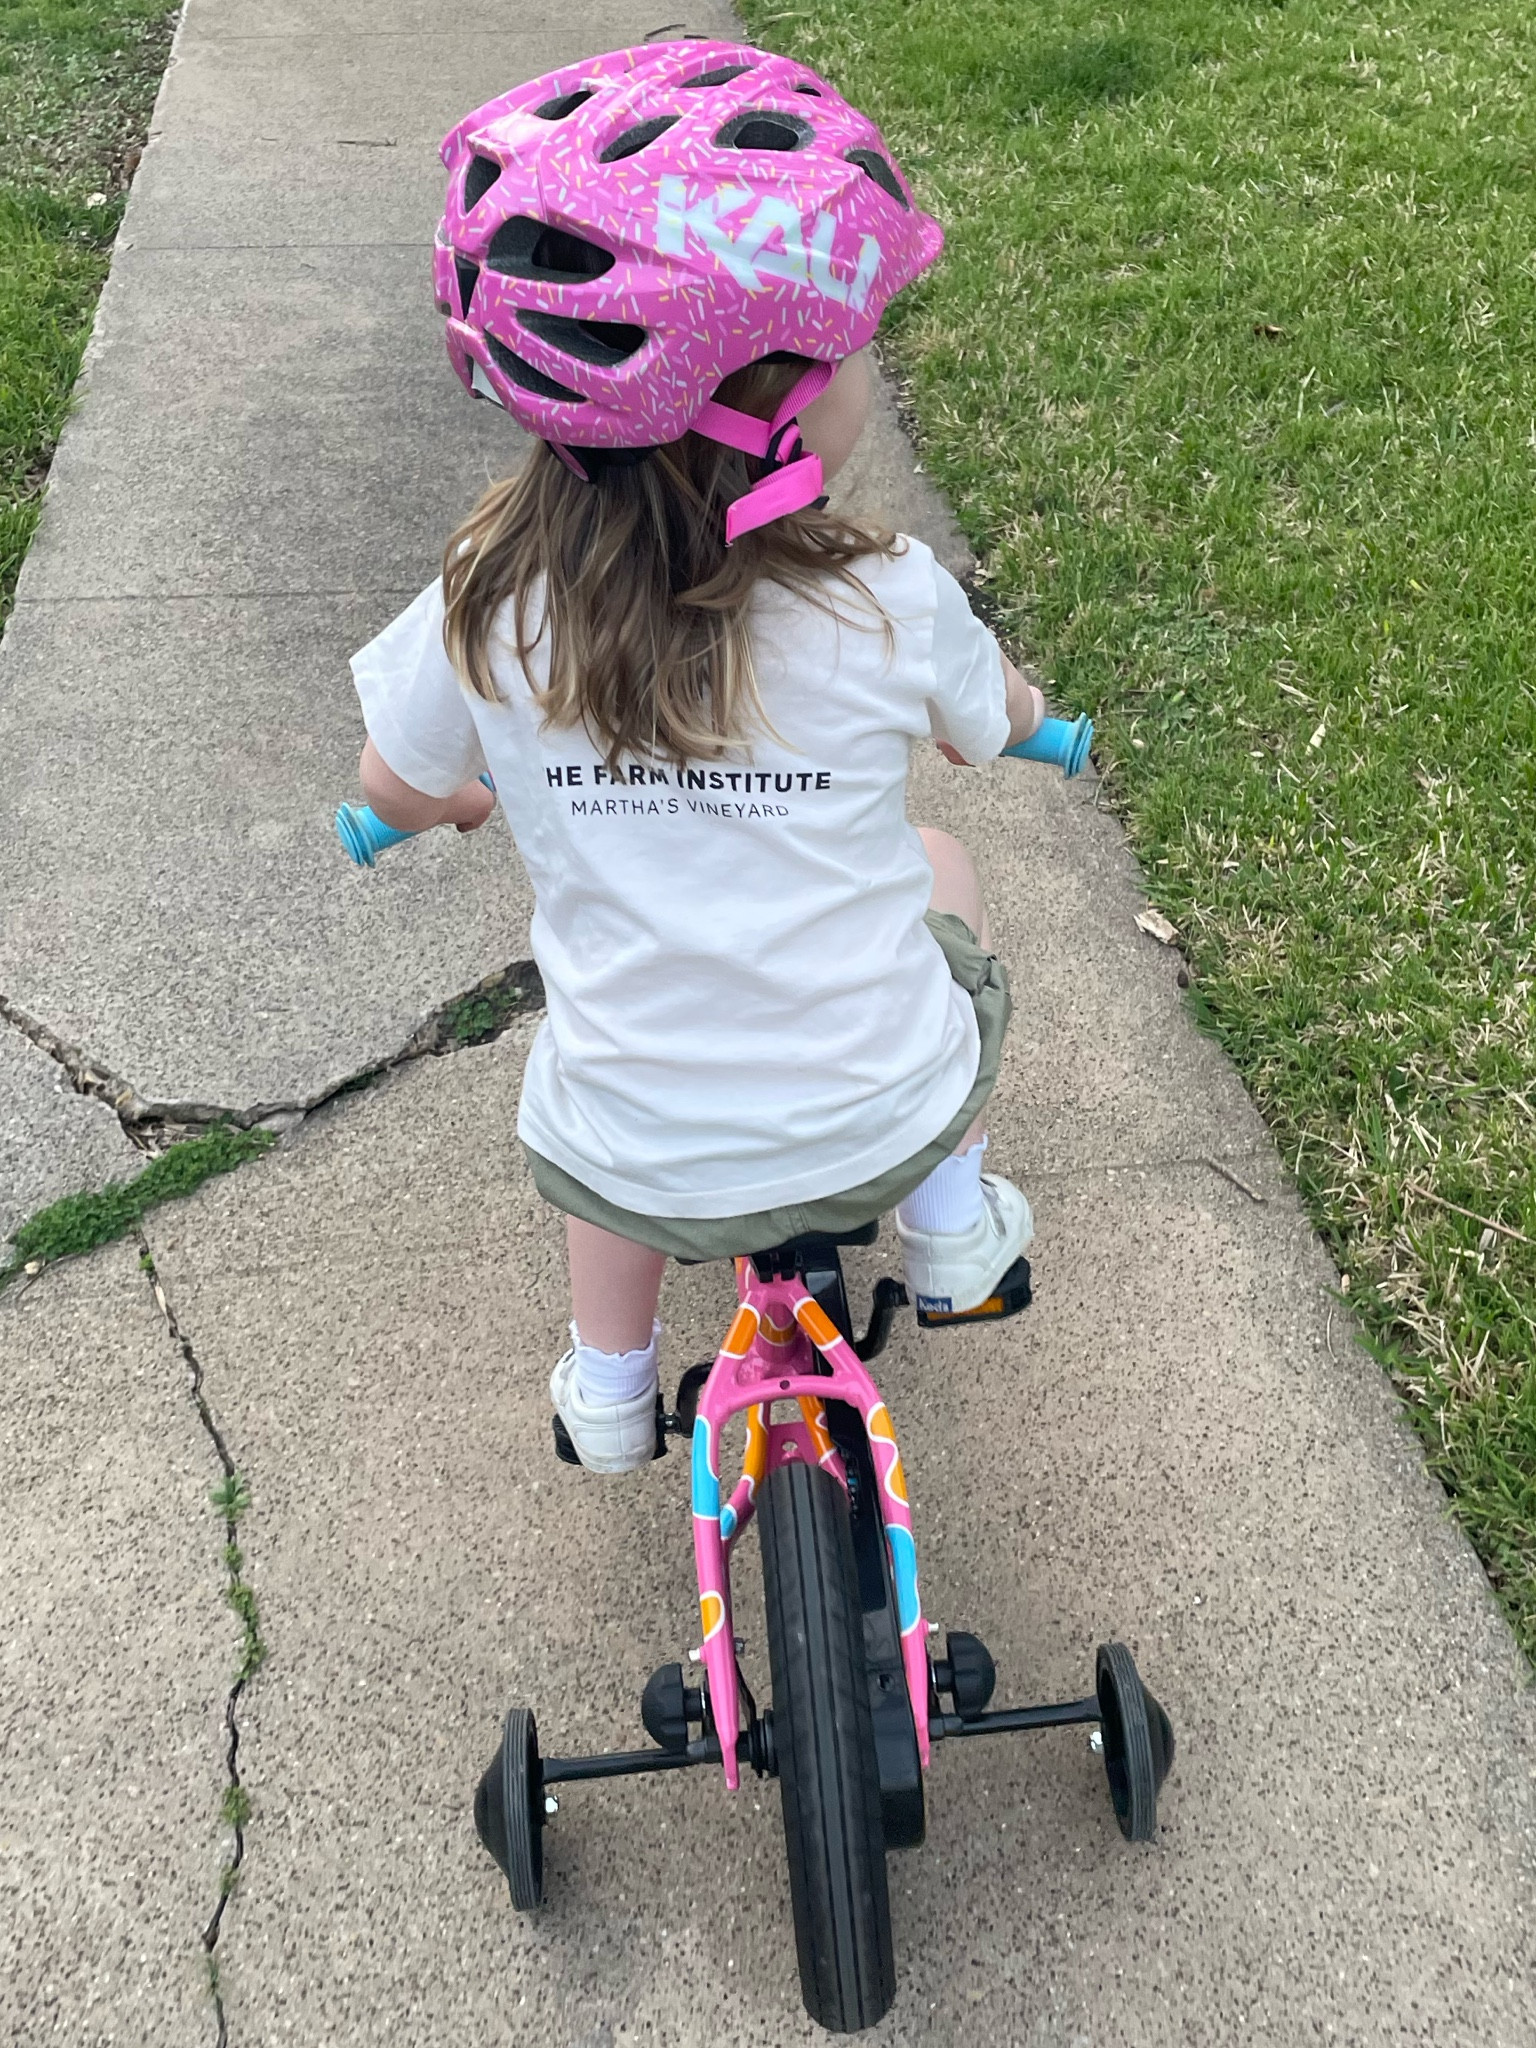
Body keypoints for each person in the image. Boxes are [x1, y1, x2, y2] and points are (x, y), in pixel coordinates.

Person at [350, 40, 1047, 1473]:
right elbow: (998, 724)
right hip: (878, 1115)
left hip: (644, 1148)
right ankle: (953, 1237)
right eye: (851, 353)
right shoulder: (887, 597)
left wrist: (466, 798)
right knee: (945, 866)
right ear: (773, 407)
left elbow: (393, 790)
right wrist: (1031, 724)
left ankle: (611, 1390)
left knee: (605, 1084)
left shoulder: (485, 606)